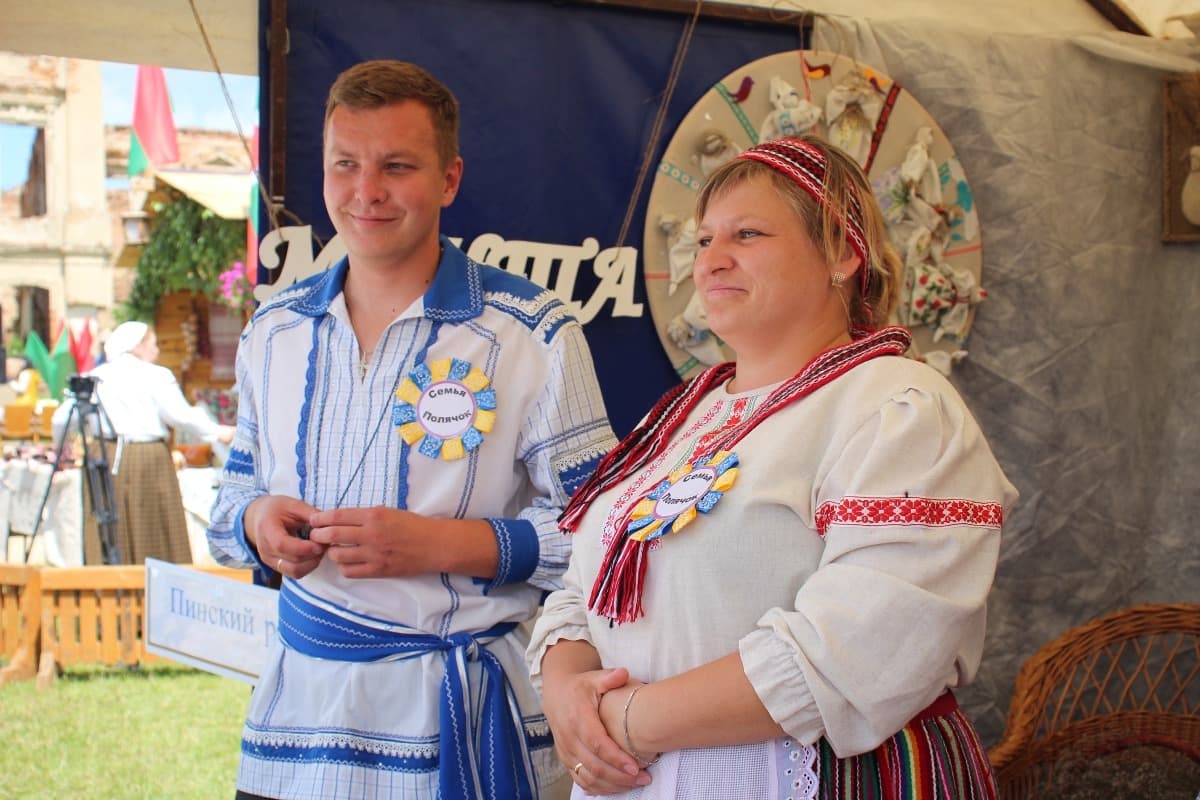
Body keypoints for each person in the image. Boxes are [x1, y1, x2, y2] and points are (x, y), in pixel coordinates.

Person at [527, 135, 1019, 799]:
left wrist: (628, 721)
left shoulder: (896, 408)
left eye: (747, 234)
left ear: (842, 252)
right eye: (704, 240)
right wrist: (566, 694)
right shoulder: (679, 418)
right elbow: (584, 584)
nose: (710, 261)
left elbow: (861, 647)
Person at [206, 60, 615, 800]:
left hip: (456, 713)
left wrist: (437, 545)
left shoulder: (532, 331)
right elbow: (230, 502)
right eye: (346, 164)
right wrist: (257, 520)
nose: (366, 191)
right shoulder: (274, 329)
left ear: (449, 180)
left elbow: (607, 534)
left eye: (397, 166)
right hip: (298, 721)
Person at [65, 321, 234, 564]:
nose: (157, 351)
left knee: (111, 521)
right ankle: (157, 575)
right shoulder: (156, 375)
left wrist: (67, 442)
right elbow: (179, 415)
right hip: (147, 456)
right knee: (153, 522)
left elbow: (63, 419)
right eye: (153, 345)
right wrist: (217, 432)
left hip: (104, 454)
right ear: (137, 346)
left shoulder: (95, 377)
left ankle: (111, 574)